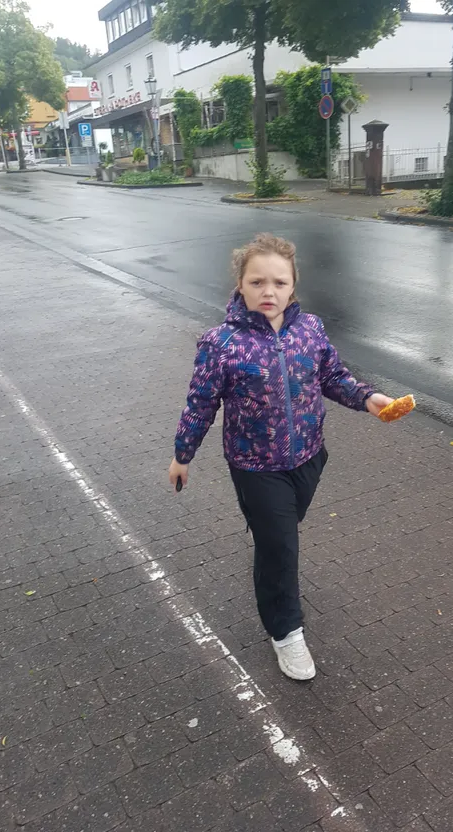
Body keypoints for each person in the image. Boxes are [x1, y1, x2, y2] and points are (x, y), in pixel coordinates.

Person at [169, 234, 394, 681]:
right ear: (240, 284)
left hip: (310, 457)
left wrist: (368, 398)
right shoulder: (221, 343)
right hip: (255, 466)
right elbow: (200, 404)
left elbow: (331, 374)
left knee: (280, 537)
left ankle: (271, 553)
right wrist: (182, 455)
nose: (268, 292)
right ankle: (286, 633)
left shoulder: (310, 328)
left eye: (279, 282)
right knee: (281, 548)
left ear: (293, 286)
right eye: (257, 282)